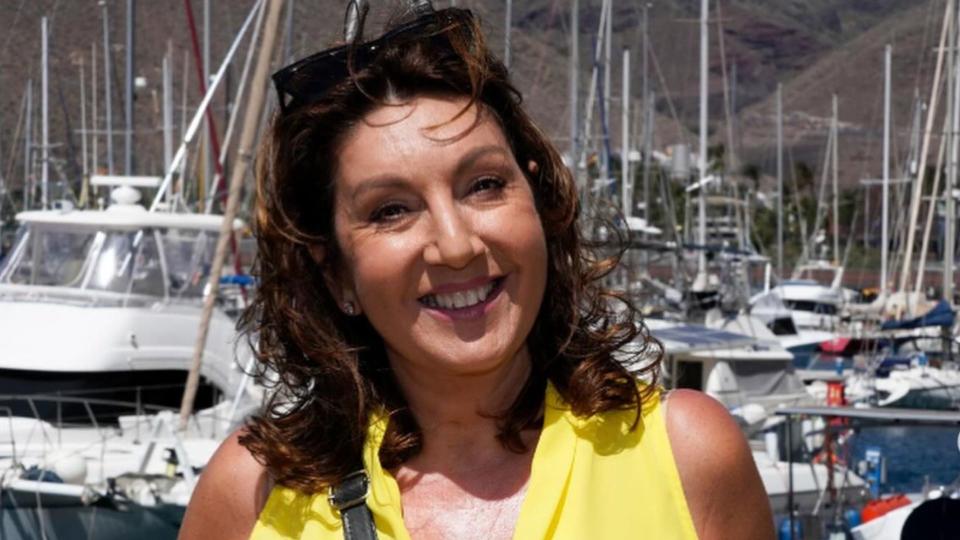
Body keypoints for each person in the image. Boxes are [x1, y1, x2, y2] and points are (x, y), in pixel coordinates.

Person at [179, 4, 774, 539]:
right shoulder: (250, 495)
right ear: (335, 272)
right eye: (391, 211)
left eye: (484, 185)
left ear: (540, 202)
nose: (456, 245)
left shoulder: (688, 456)